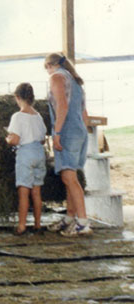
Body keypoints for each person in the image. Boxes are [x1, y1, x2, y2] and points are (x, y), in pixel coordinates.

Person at [44, 53, 92, 236]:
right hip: (79, 130)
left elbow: (62, 106)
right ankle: (70, 218)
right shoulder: (74, 80)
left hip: (67, 131)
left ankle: (82, 223)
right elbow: (84, 112)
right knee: (70, 177)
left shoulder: (57, 77)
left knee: (69, 178)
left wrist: (57, 133)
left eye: (46, 67)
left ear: (49, 65)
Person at [6, 82, 47, 235]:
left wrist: (7, 139)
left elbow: (15, 140)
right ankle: (37, 224)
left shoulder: (17, 117)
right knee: (36, 191)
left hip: (26, 154)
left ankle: (22, 226)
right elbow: (43, 139)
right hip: (39, 153)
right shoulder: (38, 116)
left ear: (17, 97)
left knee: (24, 191)